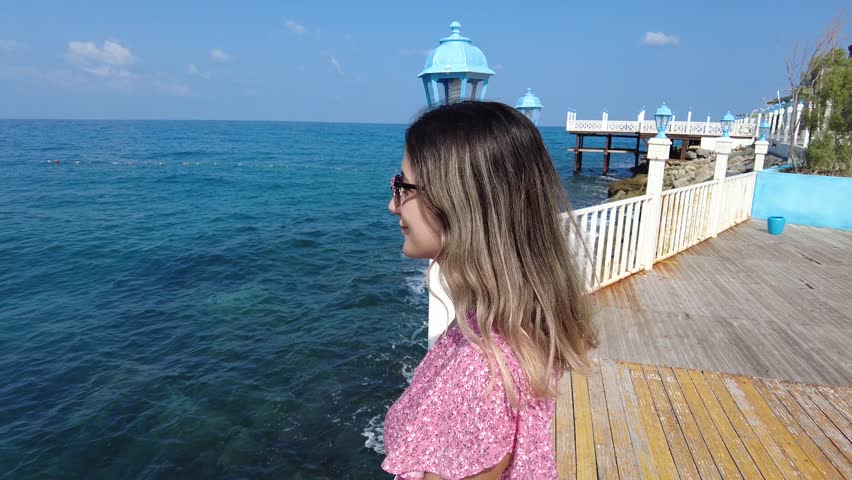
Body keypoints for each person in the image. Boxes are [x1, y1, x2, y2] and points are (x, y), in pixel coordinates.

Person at [382, 101, 598, 480]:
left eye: (402, 186)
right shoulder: (506, 325)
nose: (392, 205)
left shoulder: (483, 373)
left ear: (458, 201)